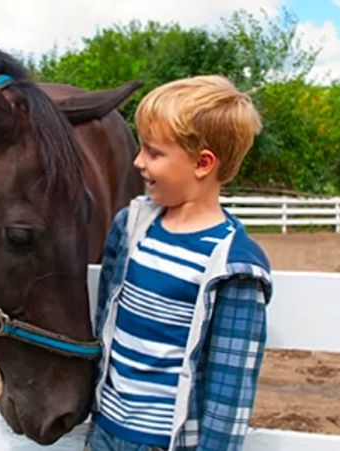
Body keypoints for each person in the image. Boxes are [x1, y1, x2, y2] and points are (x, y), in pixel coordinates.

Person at [87, 75, 272, 451]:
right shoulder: (131, 227)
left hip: (163, 442)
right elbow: (105, 316)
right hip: (105, 427)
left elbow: (230, 387)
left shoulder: (234, 266)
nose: (138, 162)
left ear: (203, 163)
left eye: (153, 153)